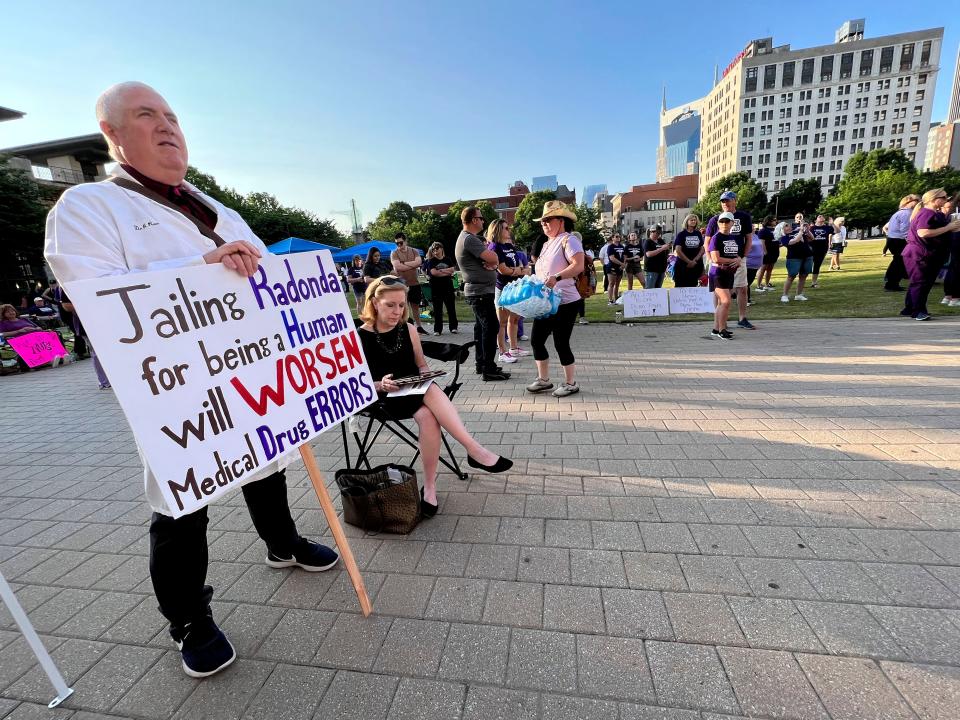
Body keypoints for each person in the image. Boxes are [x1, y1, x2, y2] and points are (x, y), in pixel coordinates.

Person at [44, 82, 339, 680]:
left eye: (173, 116)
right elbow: (92, 298)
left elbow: (268, 276)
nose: (166, 126)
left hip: (250, 368)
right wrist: (198, 267)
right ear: (114, 134)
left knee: (268, 457)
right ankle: (188, 619)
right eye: (146, 116)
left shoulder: (212, 206)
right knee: (183, 497)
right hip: (177, 387)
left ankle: (281, 543)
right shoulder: (87, 207)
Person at [357, 276, 512, 515]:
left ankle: (429, 488)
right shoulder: (358, 336)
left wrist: (425, 376)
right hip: (383, 398)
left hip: (413, 390)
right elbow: (354, 383)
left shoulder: (408, 329)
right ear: (374, 303)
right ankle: (473, 450)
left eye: (402, 304)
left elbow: (421, 366)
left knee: (429, 409)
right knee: (430, 397)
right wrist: (380, 384)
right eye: (390, 304)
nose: (398, 311)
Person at [526, 201, 584, 397]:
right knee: (536, 340)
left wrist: (557, 277)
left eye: (548, 220)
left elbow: (578, 266)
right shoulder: (545, 244)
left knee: (561, 342)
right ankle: (543, 380)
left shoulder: (569, 240)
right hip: (545, 302)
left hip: (566, 301)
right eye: (542, 221)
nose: (544, 223)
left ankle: (570, 383)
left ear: (561, 220)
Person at [455, 206, 509, 381]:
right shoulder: (469, 239)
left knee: (481, 329)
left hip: (480, 291)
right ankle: (488, 368)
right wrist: (493, 260)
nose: (483, 221)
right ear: (473, 220)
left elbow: (491, 262)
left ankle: (482, 364)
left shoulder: (469, 239)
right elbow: (493, 258)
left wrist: (491, 262)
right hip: (479, 292)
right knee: (491, 327)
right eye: (481, 217)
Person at [901, 188, 960, 321]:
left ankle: (910, 308)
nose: (947, 200)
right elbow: (923, 232)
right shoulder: (926, 213)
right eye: (944, 198)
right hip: (920, 254)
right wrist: (948, 227)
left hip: (927, 254)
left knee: (921, 283)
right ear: (934, 200)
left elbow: (942, 231)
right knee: (920, 283)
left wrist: (951, 227)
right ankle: (918, 311)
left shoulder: (935, 214)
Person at [705, 190, 754, 329]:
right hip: (719, 261)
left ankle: (742, 318)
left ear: (734, 201)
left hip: (738, 258)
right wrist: (711, 259)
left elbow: (749, 238)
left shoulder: (743, 217)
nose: (725, 203)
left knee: (742, 288)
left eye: (727, 200)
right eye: (723, 201)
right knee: (719, 291)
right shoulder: (715, 219)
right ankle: (720, 322)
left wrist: (742, 257)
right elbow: (707, 241)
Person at [486, 218, 527, 363]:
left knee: (515, 319)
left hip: (515, 287)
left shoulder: (509, 246)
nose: (509, 230)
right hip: (503, 289)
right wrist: (519, 270)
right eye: (505, 228)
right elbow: (503, 270)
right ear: (497, 230)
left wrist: (517, 270)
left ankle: (514, 348)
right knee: (501, 322)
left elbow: (520, 266)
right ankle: (502, 352)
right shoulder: (494, 247)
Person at [706, 212, 742, 340]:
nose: (724, 224)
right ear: (718, 223)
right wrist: (734, 261)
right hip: (718, 273)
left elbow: (736, 254)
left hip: (729, 273)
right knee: (726, 301)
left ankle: (716, 328)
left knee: (722, 302)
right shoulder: (716, 238)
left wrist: (737, 259)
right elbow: (716, 258)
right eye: (722, 222)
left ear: (732, 223)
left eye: (727, 222)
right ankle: (722, 330)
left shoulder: (734, 238)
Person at [390, 232, 427, 334]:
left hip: (415, 284)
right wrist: (412, 265)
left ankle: (419, 327)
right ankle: (404, 329)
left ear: (405, 241)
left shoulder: (414, 251)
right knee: (403, 308)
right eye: (397, 243)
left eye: (401, 243)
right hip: (402, 285)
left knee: (415, 307)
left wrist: (404, 264)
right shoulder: (394, 253)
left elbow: (419, 262)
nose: (399, 245)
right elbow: (398, 267)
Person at [882, 195, 920, 291]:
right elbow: (905, 230)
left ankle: (891, 282)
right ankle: (892, 284)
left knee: (897, 261)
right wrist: (911, 241)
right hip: (899, 240)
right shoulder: (907, 214)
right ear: (909, 202)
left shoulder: (899, 213)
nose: (919, 202)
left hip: (893, 239)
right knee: (899, 262)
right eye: (917, 200)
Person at [422, 242, 459, 334]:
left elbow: (452, 270)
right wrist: (446, 272)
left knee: (451, 308)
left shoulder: (448, 259)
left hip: (448, 287)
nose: (435, 251)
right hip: (436, 288)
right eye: (433, 249)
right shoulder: (431, 261)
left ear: (442, 248)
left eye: (437, 248)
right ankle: (437, 329)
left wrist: (441, 270)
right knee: (438, 310)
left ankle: (453, 327)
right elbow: (434, 273)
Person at [780, 213, 814, 302]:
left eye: (788, 225)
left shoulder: (797, 231)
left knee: (803, 275)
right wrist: (801, 231)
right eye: (786, 226)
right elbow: (794, 241)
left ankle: (799, 294)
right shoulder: (784, 237)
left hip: (807, 256)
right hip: (794, 258)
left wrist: (807, 230)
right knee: (791, 276)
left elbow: (812, 238)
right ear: (782, 229)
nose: (789, 226)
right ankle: (784, 295)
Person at [672, 214, 705, 288]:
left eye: (695, 220)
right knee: (680, 287)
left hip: (696, 265)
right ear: (687, 221)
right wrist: (689, 262)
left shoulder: (698, 233)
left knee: (693, 287)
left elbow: (702, 249)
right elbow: (678, 250)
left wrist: (694, 261)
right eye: (691, 220)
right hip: (682, 266)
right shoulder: (681, 234)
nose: (693, 221)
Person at [940, 198, 960, 307]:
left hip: (953, 242)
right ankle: (955, 297)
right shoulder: (956, 212)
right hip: (957, 241)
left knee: (953, 268)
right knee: (956, 269)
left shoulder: (952, 211)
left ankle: (948, 296)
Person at [755, 216, 779, 292]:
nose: (775, 221)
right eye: (774, 220)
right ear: (769, 221)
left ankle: (767, 284)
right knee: (763, 269)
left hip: (774, 252)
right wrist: (765, 252)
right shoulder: (763, 231)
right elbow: (762, 242)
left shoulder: (775, 230)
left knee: (770, 269)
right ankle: (758, 286)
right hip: (766, 253)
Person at [808, 215, 832, 287]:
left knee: (817, 265)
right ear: (816, 220)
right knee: (807, 265)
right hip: (811, 249)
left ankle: (814, 282)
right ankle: (801, 280)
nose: (821, 216)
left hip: (822, 249)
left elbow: (837, 231)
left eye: (822, 216)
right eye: (819, 216)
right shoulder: (811, 228)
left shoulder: (827, 227)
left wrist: (832, 223)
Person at [605, 233, 625, 304]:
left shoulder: (622, 246)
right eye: (616, 236)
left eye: (619, 236)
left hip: (620, 268)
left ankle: (616, 298)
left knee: (617, 284)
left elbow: (624, 256)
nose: (618, 238)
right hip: (612, 267)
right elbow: (612, 258)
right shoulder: (610, 247)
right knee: (611, 283)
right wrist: (621, 263)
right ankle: (610, 300)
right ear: (612, 238)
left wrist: (623, 264)